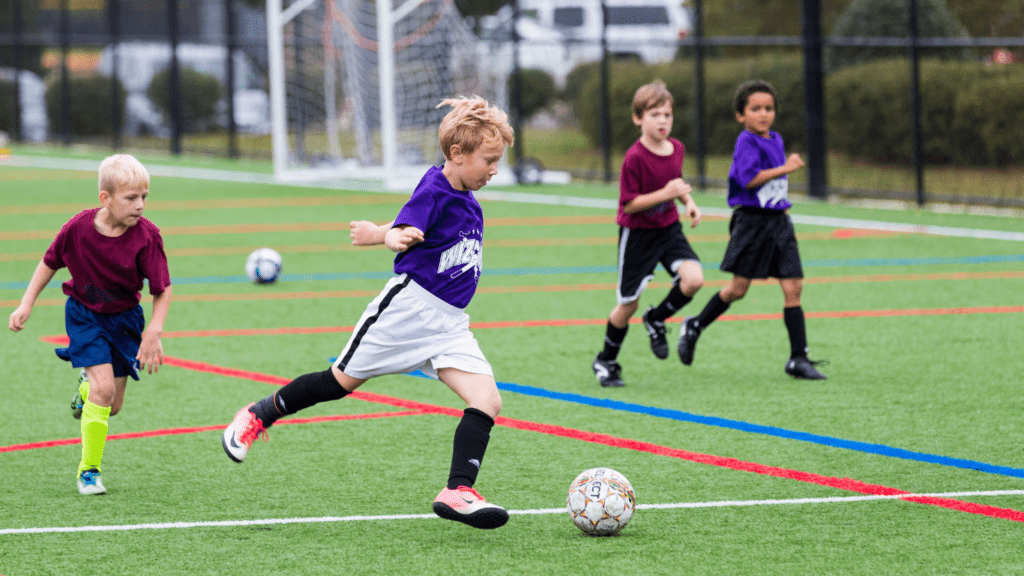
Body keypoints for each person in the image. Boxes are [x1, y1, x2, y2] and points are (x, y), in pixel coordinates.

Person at [221, 96, 514, 530]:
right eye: (489, 160)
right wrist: (386, 236)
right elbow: (405, 226)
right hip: (407, 311)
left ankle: (457, 490)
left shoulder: (471, 202)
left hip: (450, 325)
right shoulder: (434, 188)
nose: (494, 169)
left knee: (487, 400)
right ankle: (257, 415)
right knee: (339, 382)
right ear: (457, 154)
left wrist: (380, 232)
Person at [8, 153, 173, 495]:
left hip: (126, 320)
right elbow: (48, 262)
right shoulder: (78, 228)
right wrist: (27, 303)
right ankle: (89, 471)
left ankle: (86, 390)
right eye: (131, 198)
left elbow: (162, 288)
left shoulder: (147, 236)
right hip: (84, 315)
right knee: (104, 390)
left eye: (144, 197)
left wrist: (154, 330)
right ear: (106, 198)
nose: (140, 205)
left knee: (111, 406)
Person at [678, 79, 826, 380]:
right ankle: (695, 325)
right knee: (739, 289)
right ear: (740, 115)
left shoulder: (776, 139)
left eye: (769, 108)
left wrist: (781, 192)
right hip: (751, 224)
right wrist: (786, 168)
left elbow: (772, 182)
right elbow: (749, 179)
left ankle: (798, 357)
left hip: (779, 223)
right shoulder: (745, 141)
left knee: (793, 286)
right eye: (755, 109)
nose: (763, 114)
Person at [591, 80, 704, 388]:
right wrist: (666, 192)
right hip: (638, 235)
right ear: (638, 118)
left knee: (694, 279)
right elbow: (630, 204)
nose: (662, 121)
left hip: (669, 230)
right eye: (654, 114)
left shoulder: (677, 148)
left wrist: (688, 202)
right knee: (628, 304)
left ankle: (657, 319)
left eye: (667, 114)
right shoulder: (635, 157)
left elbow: (676, 182)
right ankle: (606, 360)